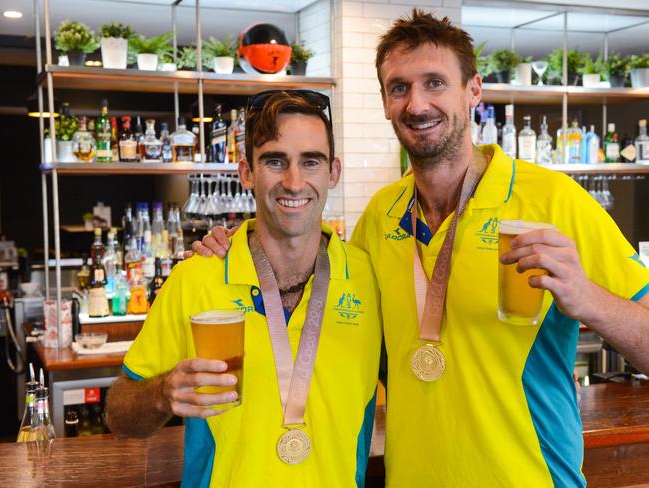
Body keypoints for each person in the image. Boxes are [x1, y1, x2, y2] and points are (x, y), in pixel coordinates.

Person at [191, 10, 649, 487]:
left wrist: (589, 299)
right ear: (386, 103)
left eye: (435, 83)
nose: (417, 104)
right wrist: (237, 244)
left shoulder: (555, 202)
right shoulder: (380, 216)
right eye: (399, 88)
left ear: (473, 90)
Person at [105, 90, 382, 487]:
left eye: (311, 161)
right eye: (274, 161)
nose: (293, 181)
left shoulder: (369, 279)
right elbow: (119, 415)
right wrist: (163, 393)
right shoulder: (195, 278)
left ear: (333, 172)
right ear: (246, 173)